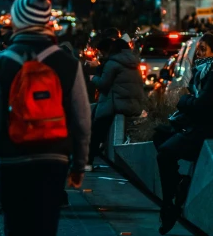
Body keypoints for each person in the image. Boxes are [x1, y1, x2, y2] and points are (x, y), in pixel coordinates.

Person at [0, 0, 91, 236]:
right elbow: (82, 118)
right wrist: (79, 165)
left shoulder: (0, 63)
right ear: (46, 21)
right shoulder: (67, 62)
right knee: (46, 226)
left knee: (15, 225)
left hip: (12, 157)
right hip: (54, 157)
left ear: (17, 21)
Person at [156, 32, 213, 234]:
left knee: (165, 153)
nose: (198, 51)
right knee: (159, 133)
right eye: (198, 48)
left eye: (203, 48)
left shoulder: (211, 72)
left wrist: (183, 102)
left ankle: (169, 204)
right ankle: (178, 183)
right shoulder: (201, 70)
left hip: (204, 129)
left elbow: (200, 104)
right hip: (194, 124)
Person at [87, 37, 144, 168]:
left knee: (96, 130)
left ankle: (87, 162)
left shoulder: (113, 63)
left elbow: (103, 84)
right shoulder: (134, 63)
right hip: (132, 103)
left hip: (116, 104)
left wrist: (93, 78)